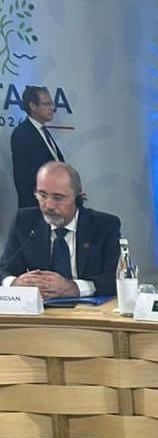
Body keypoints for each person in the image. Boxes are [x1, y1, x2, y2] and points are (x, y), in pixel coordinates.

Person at [0, 162, 120, 298]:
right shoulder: (25, 222)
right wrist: (15, 283)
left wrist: (74, 288)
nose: (49, 205)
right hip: (40, 308)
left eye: (58, 198)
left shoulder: (104, 226)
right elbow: (3, 270)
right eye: (42, 195)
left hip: (89, 308)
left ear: (79, 198)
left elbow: (115, 279)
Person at [11, 86, 65, 209]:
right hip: (38, 207)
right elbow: (23, 178)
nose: (52, 108)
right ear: (33, 106)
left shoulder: (43, 131)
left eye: (52, 104)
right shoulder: (22, 134)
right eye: (47, 104)